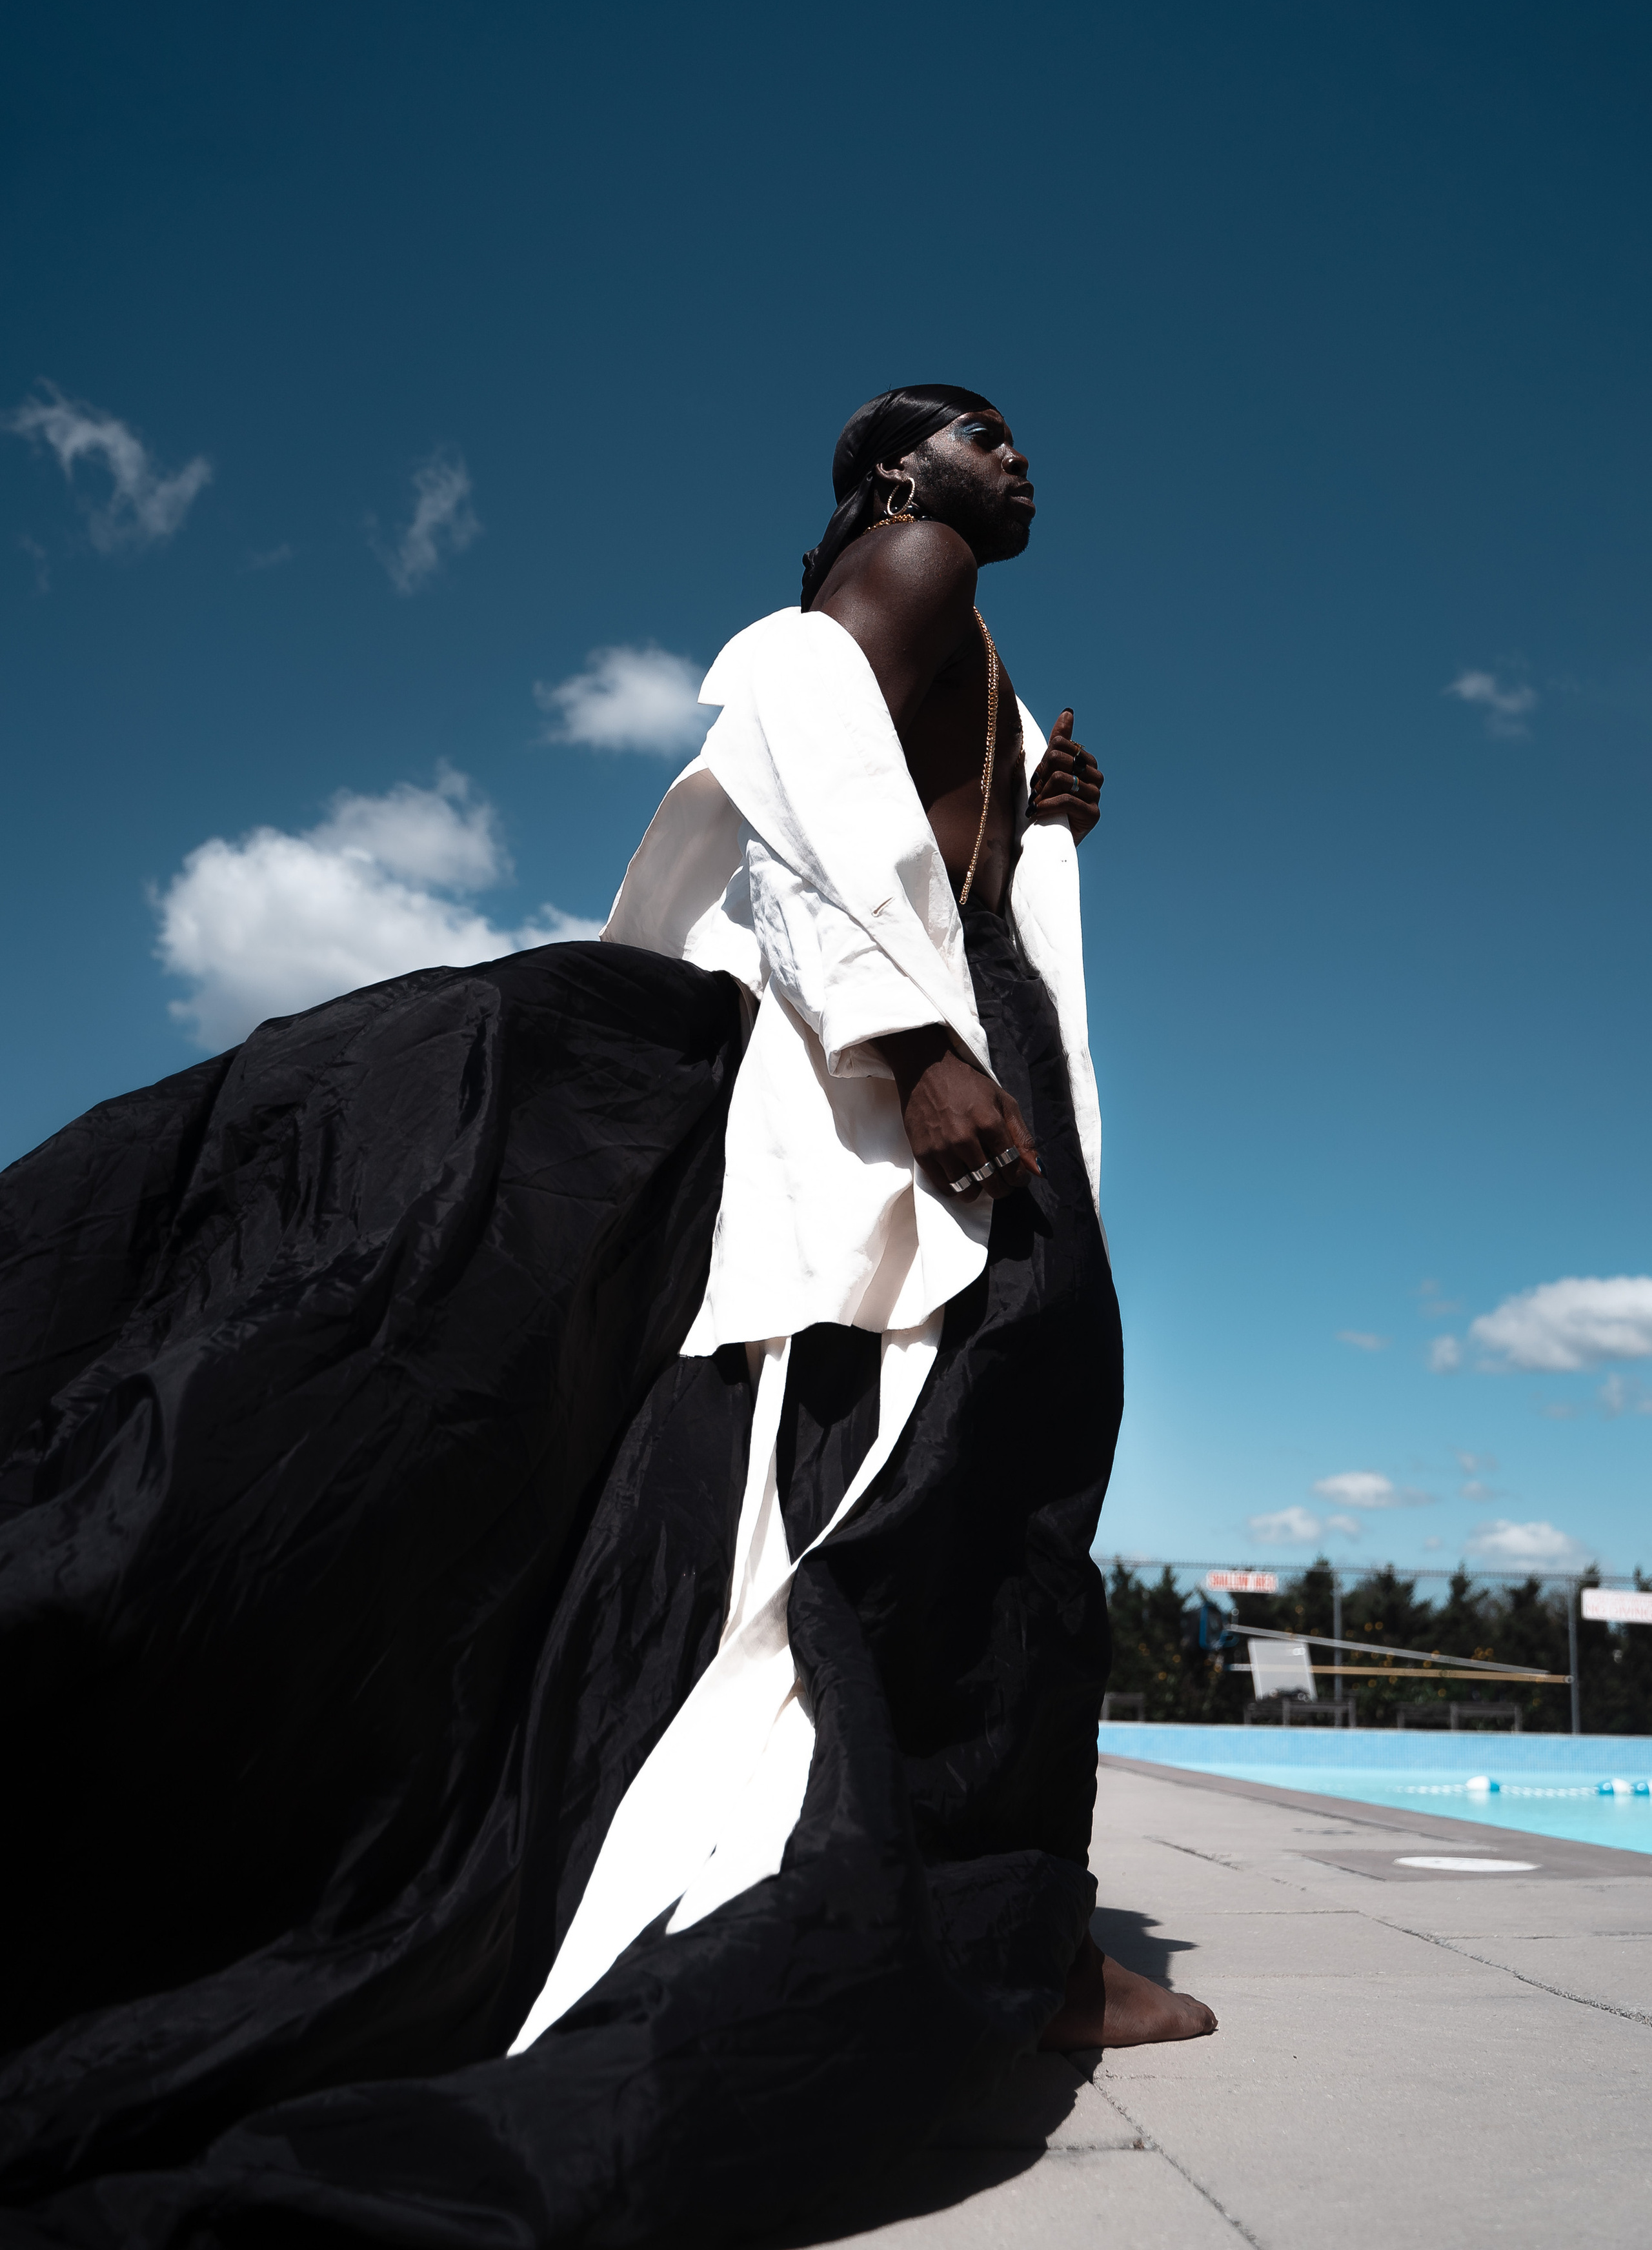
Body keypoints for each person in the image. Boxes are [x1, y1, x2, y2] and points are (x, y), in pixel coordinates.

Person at [0, 383, 1209, 2250]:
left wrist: (1040, 826)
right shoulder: (907, 563)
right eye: (978, 431)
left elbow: (934, 847)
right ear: (898, 471)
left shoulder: (981, 647)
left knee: (1010, 1456)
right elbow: (793, 743)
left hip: (972, 1039)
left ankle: (1016, 1914)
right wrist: (909, 1043)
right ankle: (997, 1923)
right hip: (916, 1061)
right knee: (976, 1468)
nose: (1016, 453)